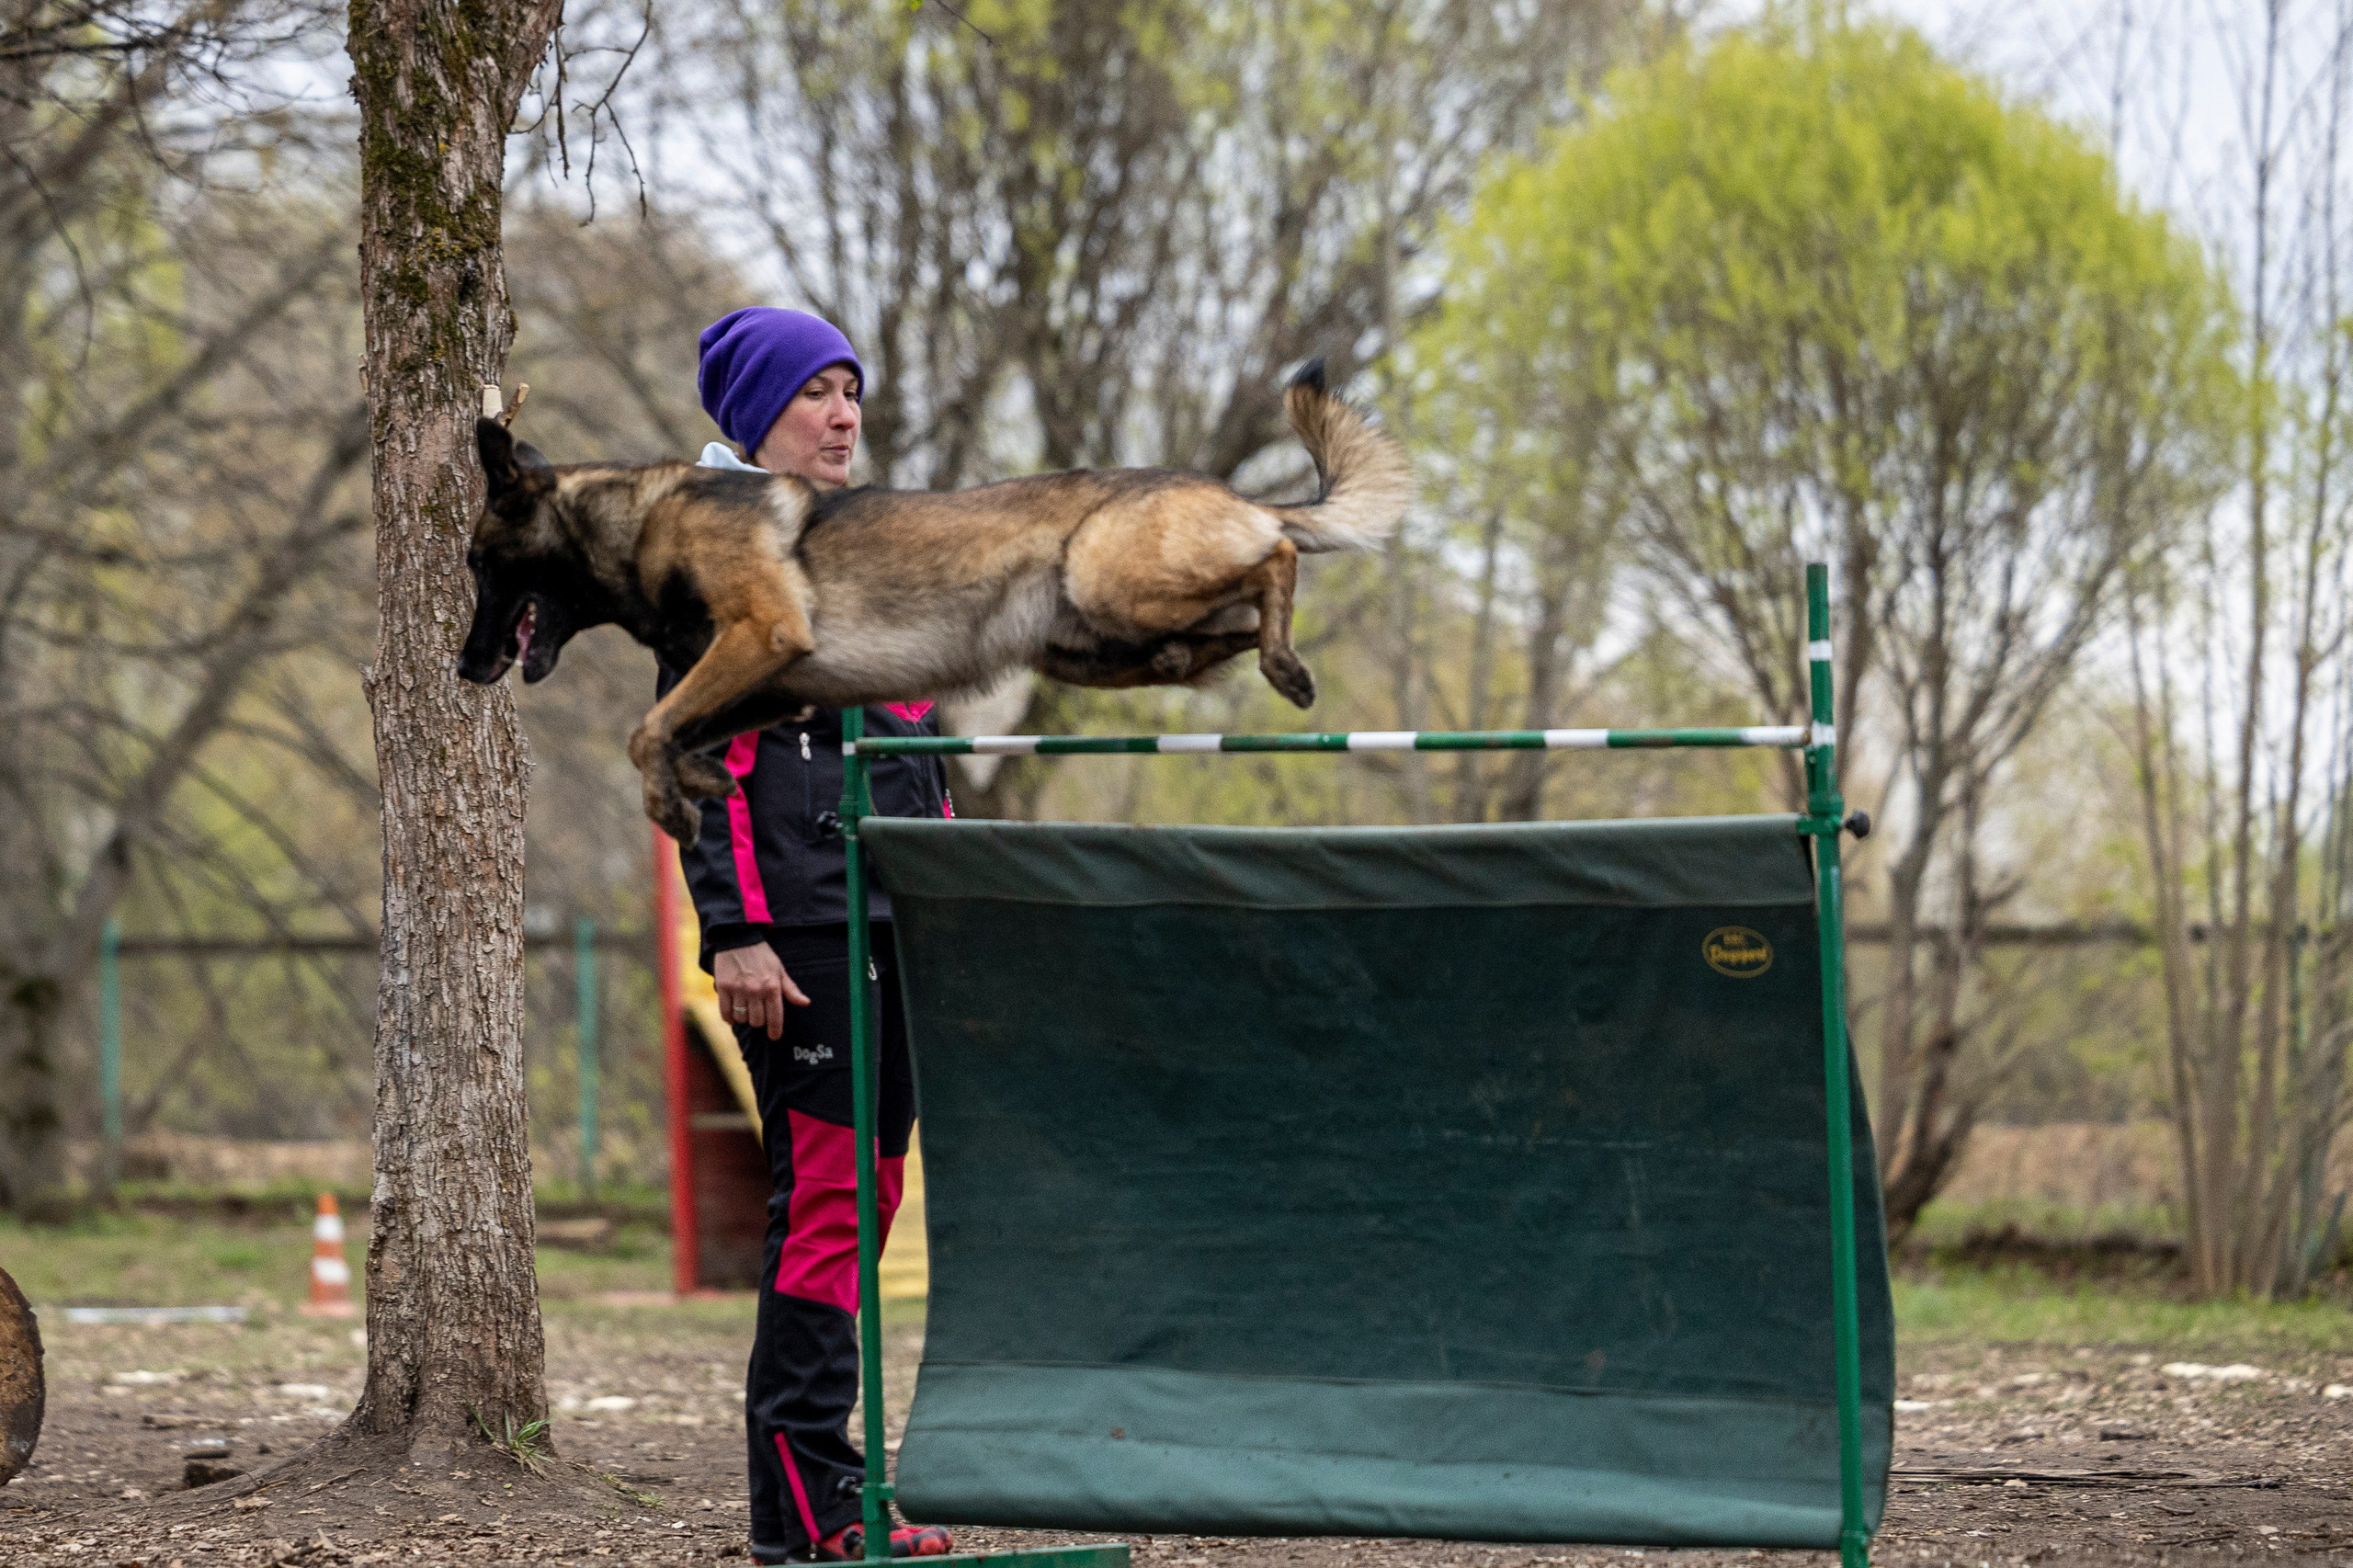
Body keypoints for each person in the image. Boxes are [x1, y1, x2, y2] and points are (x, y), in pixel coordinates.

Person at [671, 306, 957, 1565]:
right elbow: (699, 761)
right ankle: (803, 1507)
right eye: (816, 394)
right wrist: (734, 931)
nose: (844, 416)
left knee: (873, 1193)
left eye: (852, 392)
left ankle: (840, 1485)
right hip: (796, 938)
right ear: (756, 418)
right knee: (830, 1201)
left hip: (894, 920)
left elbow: (914, 751)